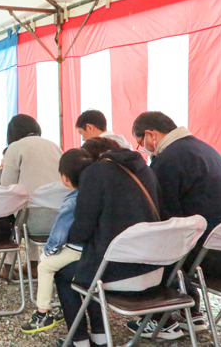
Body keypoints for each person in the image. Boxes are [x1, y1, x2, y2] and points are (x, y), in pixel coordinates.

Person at [128, 111, 221, 337]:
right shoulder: (205, 149)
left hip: (213, 257)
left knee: (152, 243)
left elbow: (166, 222)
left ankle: (159, 320)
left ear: (150, 134)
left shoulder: (168, 160)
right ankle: (191, 314)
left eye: (140, 143)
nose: (143, 148)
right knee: (185, 238)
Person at [54, 139, 163, 347]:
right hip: (155, 270)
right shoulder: (144, 169)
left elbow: (81, 231)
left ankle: (79, 341)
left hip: (119, 275)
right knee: (93, 265)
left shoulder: (96, 173)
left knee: (68, 273)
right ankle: (100, 337)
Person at [21, 148, 95, 334]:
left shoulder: (71, 201)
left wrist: (46, 253)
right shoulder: (97, 194)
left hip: (76, 250)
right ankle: (61, 308)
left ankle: (42, 313)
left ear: (64, 178)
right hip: (95, 249)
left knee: (45, 267)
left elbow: (59, 234)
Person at [0, 114, 63, 279]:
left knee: (15, 210)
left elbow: (7, 186)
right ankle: (33, 265)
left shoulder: (16, 147)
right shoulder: (54, 146)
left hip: (30, 221)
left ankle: (8, 267)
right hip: (59, 220)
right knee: (29, 206)